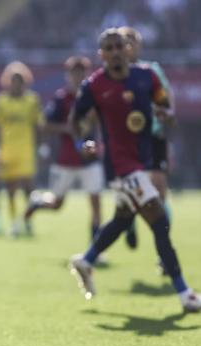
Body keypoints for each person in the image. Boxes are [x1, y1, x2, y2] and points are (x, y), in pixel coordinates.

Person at [69, 28, 200, 313]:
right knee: (158, 220)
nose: (116, 51)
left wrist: (165, 114)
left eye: (120, 46)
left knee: (121, 219)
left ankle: (87, 260)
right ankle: (185, 292)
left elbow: (166, 107)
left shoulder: (147, 77)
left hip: (143, 160)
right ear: (101, 54)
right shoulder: (94, 85)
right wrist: (83, 142)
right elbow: (76, 119)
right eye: (109, 48)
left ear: (128, 49)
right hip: (120, 167)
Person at [24, 56, 104, 244]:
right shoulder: (61, 99)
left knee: (96, 203)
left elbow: (101, 122)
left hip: (89, 158)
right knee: (57, 204)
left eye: (81, 73)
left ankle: (95, 250)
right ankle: (36, 203)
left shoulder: (93, 98)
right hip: (66, 160)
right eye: (74, 73)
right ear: (68, 75)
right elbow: (45, 125)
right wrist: (66, 128)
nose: (78, 77)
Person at [118, 26, 176, 265]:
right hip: (126, 141)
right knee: (134, 194)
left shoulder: (152, 71)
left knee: (159, 193)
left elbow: (166, 100)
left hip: (152, 137)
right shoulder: (111, 76)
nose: (129, 45)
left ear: (139, 46)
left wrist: (167, 113)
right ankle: (129, 221)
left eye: (133, 40)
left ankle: (164, 254)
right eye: (124, 41)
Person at [0, 61, 44, 237]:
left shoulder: (32, 100)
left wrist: (42, 147)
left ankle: (28, 219)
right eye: (13, 80)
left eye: (19, 80)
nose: (16, 83)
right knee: (10, 187)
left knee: (29, 188)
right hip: (8, 150)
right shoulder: (1, 101)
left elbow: (38, 125)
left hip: (26, 149)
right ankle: (14, 222)